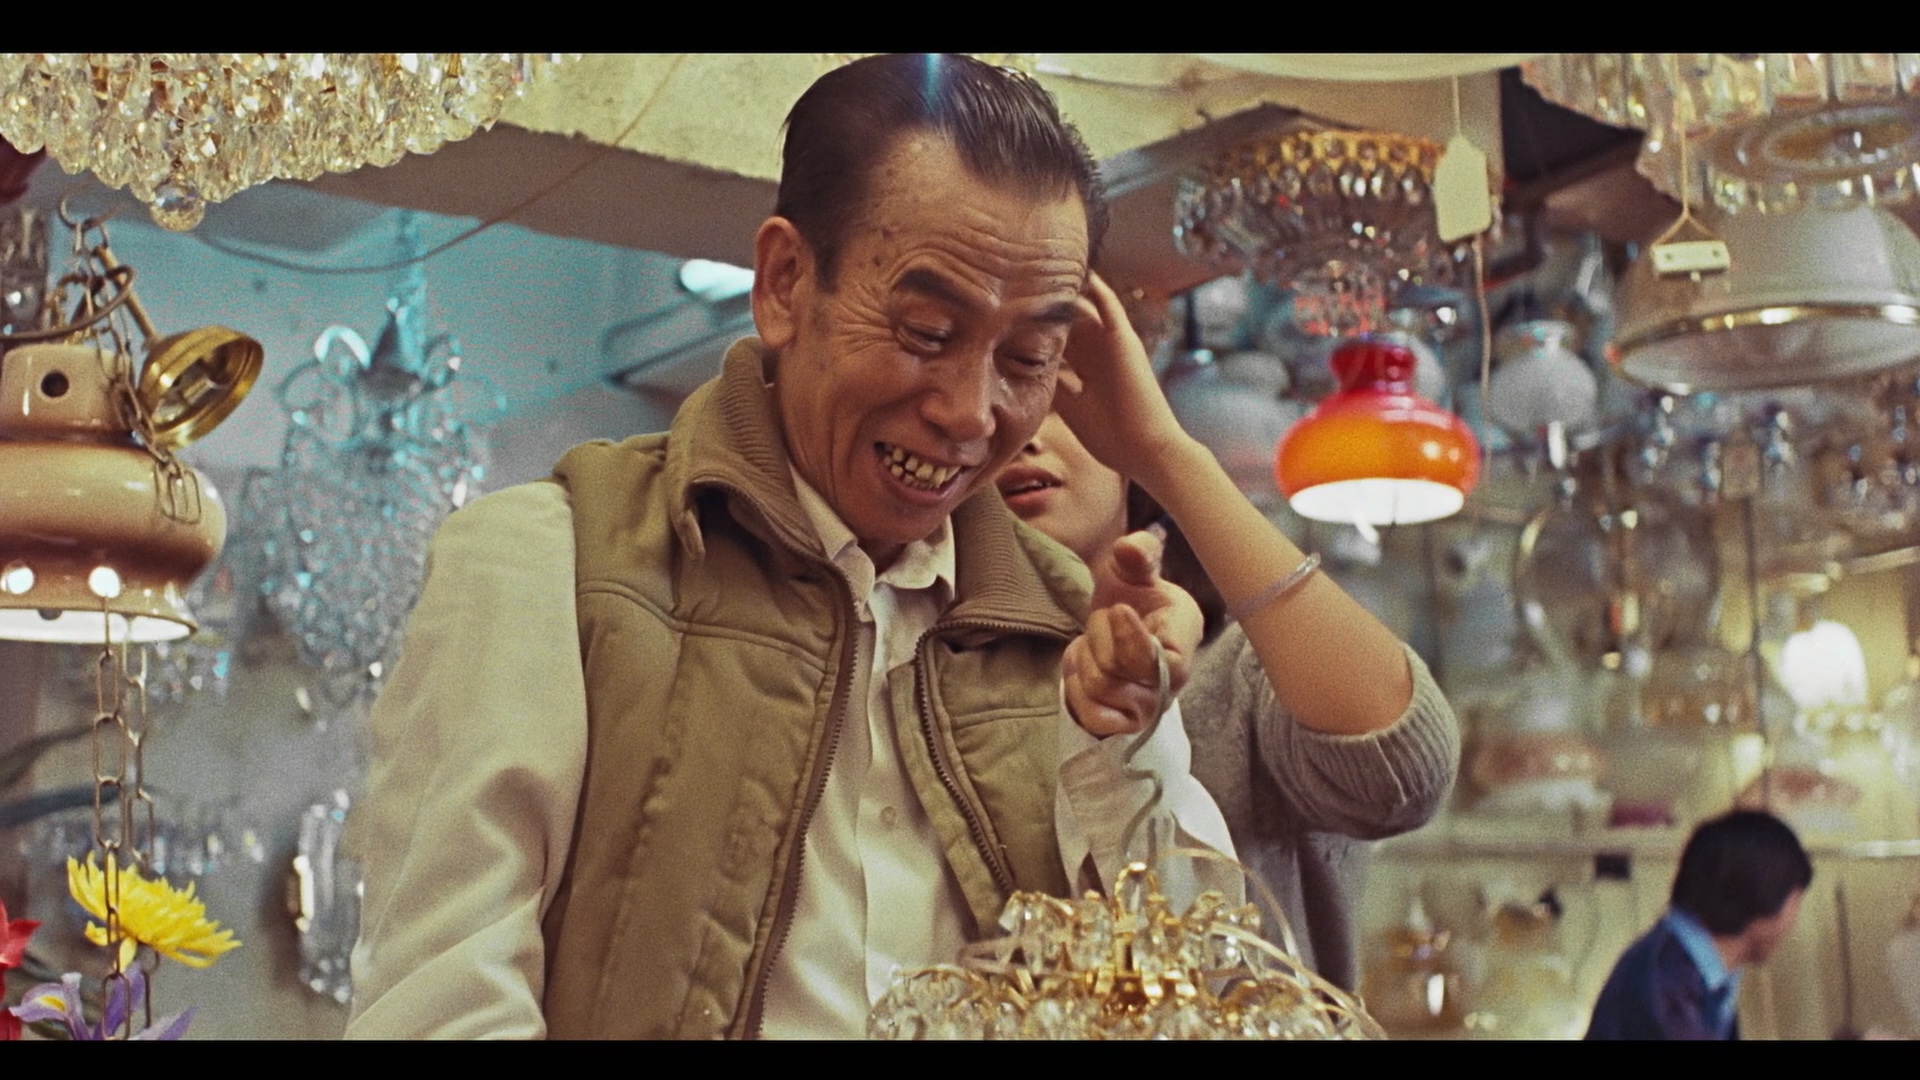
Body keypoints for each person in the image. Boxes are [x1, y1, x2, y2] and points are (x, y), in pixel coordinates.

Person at [344, 53, 1233, 1041]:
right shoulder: (551, 562)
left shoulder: (1063, 624)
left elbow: (1198, 992)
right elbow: (443, 1000)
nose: (971, 412)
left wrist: (1125, 747)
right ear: (783, 283)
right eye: (927, 331)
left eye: (1027, 358)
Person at [998, 306, 1460, 992]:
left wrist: (1166, 453)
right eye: (1000, 406)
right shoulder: (953, 686)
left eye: (1056, 396)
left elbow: (1401, 773)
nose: (1026, 438)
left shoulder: (1243, 668)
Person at [1585, 810, 1813, 1040]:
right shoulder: (1666, 986)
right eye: (1795, 902)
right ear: (1766, 896)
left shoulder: (1685, 969)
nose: (1791, 924)